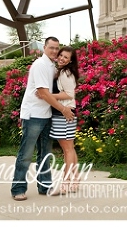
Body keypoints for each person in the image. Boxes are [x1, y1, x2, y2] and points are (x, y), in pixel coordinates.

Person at [10, 37, 75, 201]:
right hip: (33, 115)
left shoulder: (52, 66)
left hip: (46, 115)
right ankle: (18, 188)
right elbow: (44, 93)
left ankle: (44, 186)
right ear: (44, 47)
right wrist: (63, 109)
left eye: (56, 48)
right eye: (51, 48)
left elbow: (57, 90)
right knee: (26, 154)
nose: (54, 51)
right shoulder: (39, 65)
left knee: (45, 154)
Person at [49, 46, 80, 194]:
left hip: (64, 114)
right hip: (67, 113)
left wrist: (48, 96)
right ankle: (75, 179)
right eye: (61, 55)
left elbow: (68, 94)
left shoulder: (65, 73)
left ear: (70, 60)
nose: (62, 58)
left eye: (66, 57)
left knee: (67, 150)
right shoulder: (63, 71)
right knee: (70, 148)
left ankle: (65, 183)